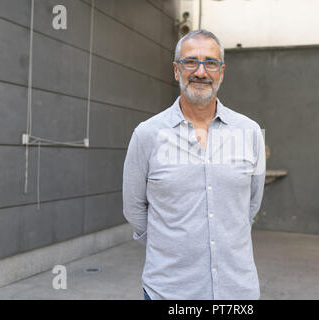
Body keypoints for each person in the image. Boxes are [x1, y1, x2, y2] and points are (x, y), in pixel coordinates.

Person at [123, 29, 266, 300]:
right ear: (176, 70)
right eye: (190, 61)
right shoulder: (147, 134)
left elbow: (251, 205)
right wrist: (171, 246)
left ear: (221, 72)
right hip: (168, 291)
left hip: (237, 292)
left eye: (210, 63)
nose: (201, 72)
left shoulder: (249, 132)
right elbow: (134, 209)